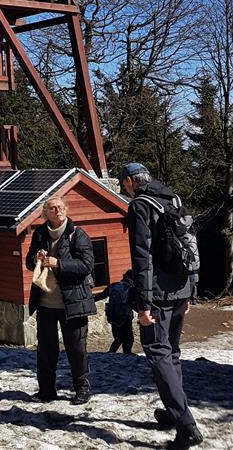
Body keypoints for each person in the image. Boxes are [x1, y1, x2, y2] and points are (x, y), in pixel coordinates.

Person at [120, 162, 203, 449]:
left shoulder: (140, 206)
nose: (123, 188)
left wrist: (143, 304)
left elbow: (142, 258)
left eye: (123, 183)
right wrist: (191, 290)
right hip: (181, 288)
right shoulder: (171, 198)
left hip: (157, 294)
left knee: (158, 354)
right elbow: (190, 243)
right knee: (172, 353)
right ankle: (173, 411)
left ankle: (186, 426)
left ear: (131, 181)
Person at [25, 196, 96, 405]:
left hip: (73, 303)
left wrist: (59, 263)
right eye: (52, 208)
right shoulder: (39, 234)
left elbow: (86, 266)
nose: (57, 211)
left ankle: (82, 389)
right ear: (45, 213)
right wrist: (36, 259)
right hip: (45, 302)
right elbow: (29, 262)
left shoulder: (77, 234)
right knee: (46, 350)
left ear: (66, 210)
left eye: (60, 207)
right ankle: (46, 390)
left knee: (76, 349)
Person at [96, 269, 135, 353]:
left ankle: (111, 353)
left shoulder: (113, 286)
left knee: (118, 338)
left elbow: (101, 296)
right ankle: (126, 355)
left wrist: (90, 300)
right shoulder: (131, 289)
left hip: (113, 316)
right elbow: (133, 304)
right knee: (128, 338)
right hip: (125, 317)